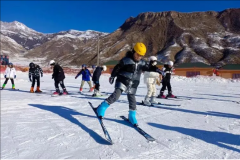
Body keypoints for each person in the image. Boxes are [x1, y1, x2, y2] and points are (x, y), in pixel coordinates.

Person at [94, 42, 164, 126]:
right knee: (116, 96)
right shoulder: (126, 60)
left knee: (132, 99)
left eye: (141, 55)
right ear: (133, 51)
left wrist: (157, 70)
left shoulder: (142, 63)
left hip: (133, 83)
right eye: (137, 54)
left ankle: (132, 115)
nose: (139, 57)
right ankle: (102, 107)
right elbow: (117, 68)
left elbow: (149, 67)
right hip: (122, 80)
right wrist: (112, 76)